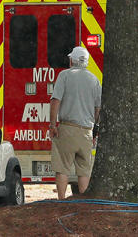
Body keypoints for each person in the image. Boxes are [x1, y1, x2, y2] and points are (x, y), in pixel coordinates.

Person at [49, 46, 102, 200]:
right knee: (84, 171)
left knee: (62, 168)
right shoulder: (94, 79)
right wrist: (95, 129)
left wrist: (53, 125)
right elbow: (98, 108)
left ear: (72, 60)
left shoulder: (65, 75)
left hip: (67, 128)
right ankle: (84, 204)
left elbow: (55, 101)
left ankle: (61, 200)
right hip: (86, 130)